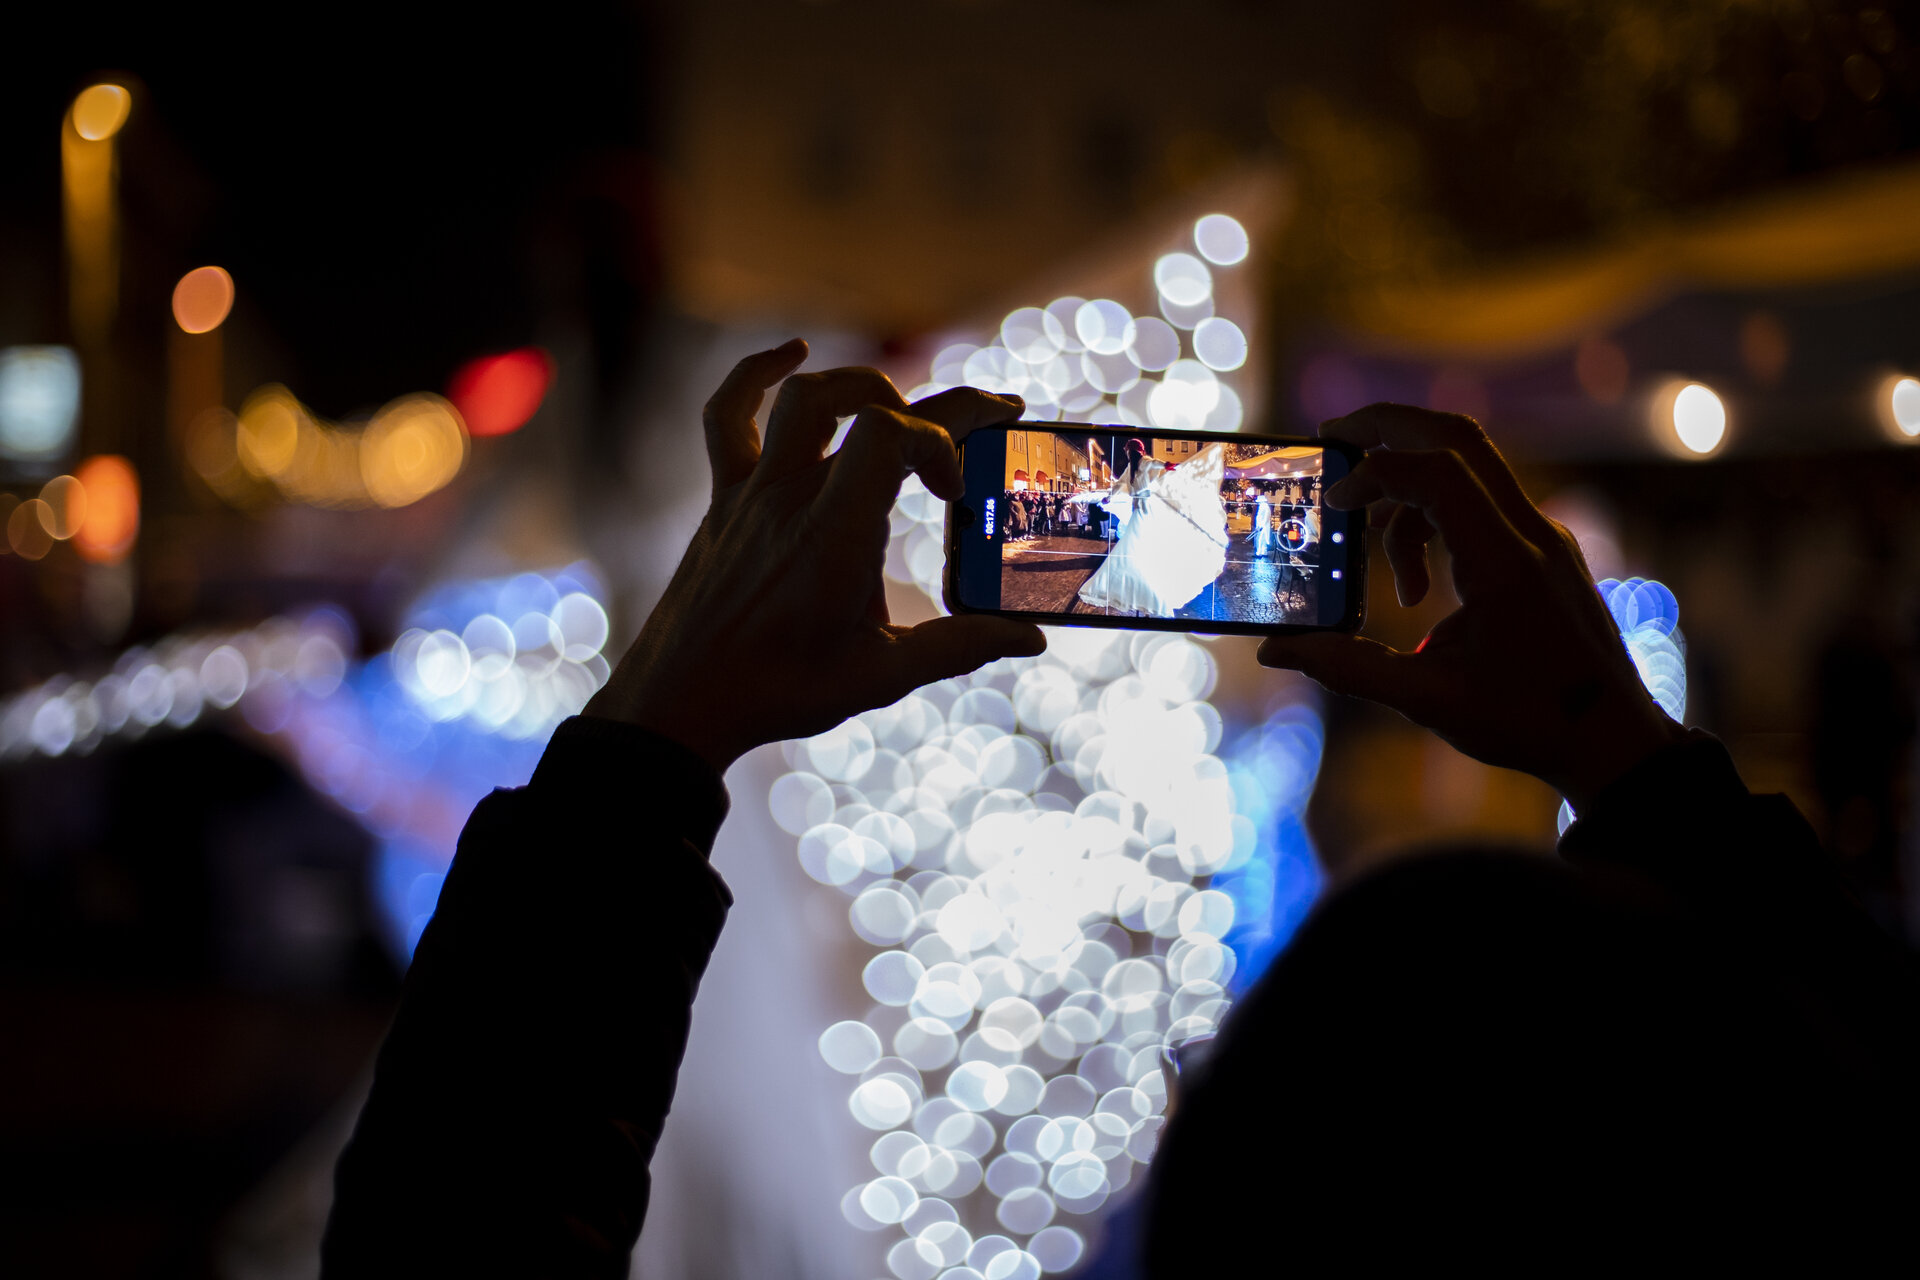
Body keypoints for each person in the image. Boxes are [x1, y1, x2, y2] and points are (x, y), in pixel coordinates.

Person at [320, 343, 1043, 1276]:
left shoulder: (672, 367)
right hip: (672, 787)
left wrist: (664, 719)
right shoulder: (592, 400)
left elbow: (449, 1218)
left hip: (673, 783)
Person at [1076, 437, 1231, 616]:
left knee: (1133, 546)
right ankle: (1141, 587)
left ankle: (1141, 588)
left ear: (1130, 452)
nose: (1127, 454)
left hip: (1142, 509)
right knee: (1135, 547)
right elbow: (1130, 479)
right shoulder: (1135, 466)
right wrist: (1109, 497)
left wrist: (1109, 497)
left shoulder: (1141, 463)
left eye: (1127, 451)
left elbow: (1150, 468)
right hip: (1141, 508)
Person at [1248, 486, 1273, 557]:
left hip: (1261, 526)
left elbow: (1264, 517)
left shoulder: (1263, 507)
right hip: (1263, 526)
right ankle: (1264, 552)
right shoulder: (1266, 506)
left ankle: (1258, 553)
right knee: (1263, 540)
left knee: (1260, 539)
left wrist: (1260, 526)